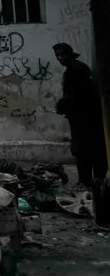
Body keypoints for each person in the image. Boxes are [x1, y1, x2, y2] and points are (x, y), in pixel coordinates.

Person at [53, 43, 108, 187]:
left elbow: (75, 96)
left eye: (62, 54)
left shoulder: (74, 71)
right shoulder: (77, 68)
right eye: (57, 55)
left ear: (69, 54)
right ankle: (94, 181)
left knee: (83, 151)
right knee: (91, 150)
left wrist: (61, 105)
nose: (59, 58)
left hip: (83, 118)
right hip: (85, 117)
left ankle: (86, 183)